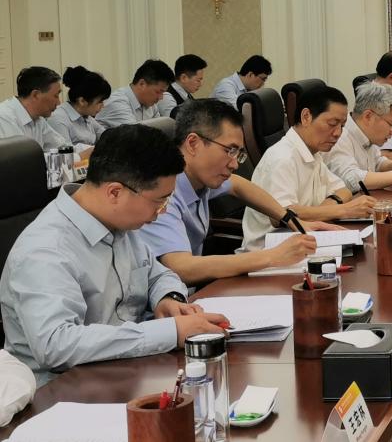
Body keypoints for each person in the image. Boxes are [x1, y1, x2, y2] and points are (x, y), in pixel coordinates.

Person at [0, 124, 228, 386]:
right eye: (159, 201)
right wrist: (170, 332)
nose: (163, 211)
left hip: (127, 372)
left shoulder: (119, 222)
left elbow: (157, 274)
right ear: (115, 192)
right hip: (65, 391)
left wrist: (168, 298)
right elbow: (56, 345)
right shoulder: (45, 250)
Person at [141, 99, 344, 287]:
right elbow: (181, 268)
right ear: (193, 143)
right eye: (229, 150)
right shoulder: (161, 194)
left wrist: (290, 219)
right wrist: (272, 256)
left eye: (238, 154)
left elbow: (238, 185)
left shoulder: (200, 179)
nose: (234, 164)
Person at [240, 86, 377, 251]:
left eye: (342, 125)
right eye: (332, 124)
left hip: (305, 241)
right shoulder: (282, 158)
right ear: (306, 117)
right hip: (269, 251)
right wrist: (342, 210)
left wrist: (321, 211)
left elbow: (344, 190)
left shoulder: (312, 151)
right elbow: (282, 215)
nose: (338, 133)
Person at [327, 82, 392, 193]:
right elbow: (351, 179)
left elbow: (377, 162)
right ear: (368, 116)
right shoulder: (339, 137)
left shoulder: (367, 135)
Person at [0, 66, 69, 150]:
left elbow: (62, 147)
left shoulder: (38, 119)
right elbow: (19, 156)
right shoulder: (4, 118)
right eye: (56, 96)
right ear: (36, 95)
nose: (58, 103)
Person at [95, 59, 174, 130]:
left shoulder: (150, 105)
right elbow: (136, 137)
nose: (161, 97)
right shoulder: (117, 102)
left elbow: (160, 133)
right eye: (158, 92)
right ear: (142, 84)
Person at [48, 66, 111, 152]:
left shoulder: (86, 116)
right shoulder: (58, 119)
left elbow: (107, 136)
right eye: (100, 102)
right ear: (82, 101)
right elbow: (66, 155)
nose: (103, 106)